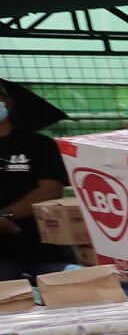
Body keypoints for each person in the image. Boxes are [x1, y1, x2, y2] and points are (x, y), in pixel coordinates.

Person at [0, 80, 71, 282]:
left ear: (8, 102)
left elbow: (51, 189)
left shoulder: (40, 144)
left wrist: (6, 215)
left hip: (43, 247)